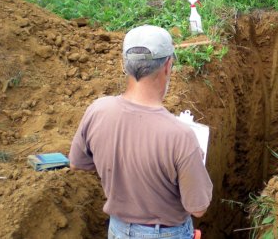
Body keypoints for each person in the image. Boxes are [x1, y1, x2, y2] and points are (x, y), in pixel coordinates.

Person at [69, 25, 213, 239]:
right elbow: (198, 208)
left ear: (125, 65)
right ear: (167, 65)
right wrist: (191, 158)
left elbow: (77, 162)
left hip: (117, 230)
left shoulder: (97, 111)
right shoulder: (180, 136)